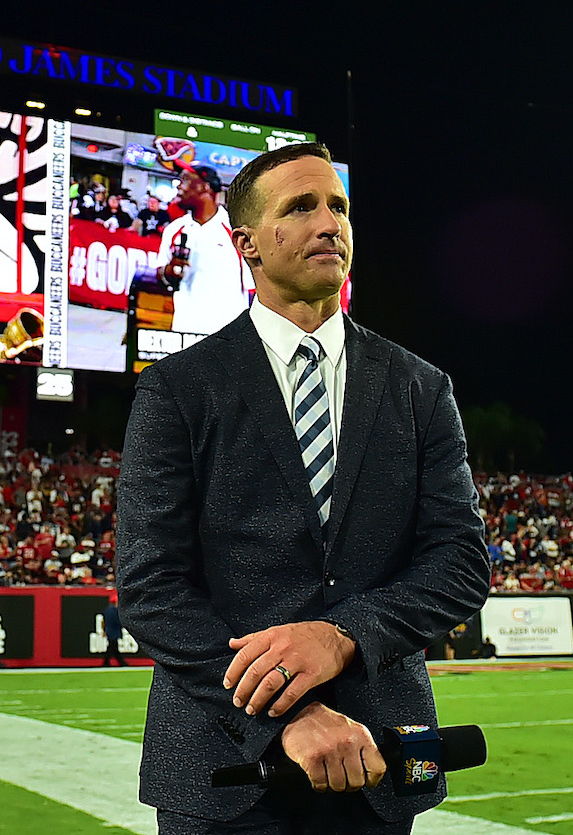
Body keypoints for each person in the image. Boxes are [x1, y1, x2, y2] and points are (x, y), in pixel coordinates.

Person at [117, 142, 490, 833]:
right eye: (302, 206)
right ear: (247, 244)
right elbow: (150, 583)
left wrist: (342, 634)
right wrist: (291, 712)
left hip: (378, 761)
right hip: (221, 766)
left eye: (339, 206)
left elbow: (462, 562)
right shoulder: (177, 388)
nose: (331, 223)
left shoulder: (421, 387)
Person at [153, 163, 254, 335]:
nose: (178, 185)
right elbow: (161, 275)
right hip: (185, 332)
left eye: (185, 180)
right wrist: (169, 272)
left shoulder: (237, 230)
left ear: (205, 187)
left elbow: (253, 288)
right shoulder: (174, 230)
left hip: (229, 338)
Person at [101, 592, 128, 667]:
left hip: (109, 631)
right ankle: (119, 662)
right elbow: (118, 621)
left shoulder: (107, 610)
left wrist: (104, 630)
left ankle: (110, 662)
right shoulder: (115, 611)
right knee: (112, 647)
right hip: (114, 631)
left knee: (112, 647)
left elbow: (103, 621)